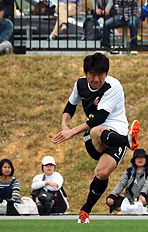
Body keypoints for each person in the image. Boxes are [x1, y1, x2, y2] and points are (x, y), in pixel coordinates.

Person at [52, 52, 140, 223]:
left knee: (102, 173)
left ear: (106, 74)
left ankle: (85, 211)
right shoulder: (80, 85)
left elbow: (99, 117)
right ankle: (128, 141)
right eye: (92, 74)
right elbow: (70, 106)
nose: (97, 79)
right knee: (97, 131)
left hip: (116, 133)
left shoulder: (113, 86)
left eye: (101, 74)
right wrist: (64, 126)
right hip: (95, 139)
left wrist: (72, 132)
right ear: (86, 73)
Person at [106, 148, 148, 214]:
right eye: (138, 158)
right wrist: (112, 195)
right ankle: (132, 209)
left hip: (144, 200)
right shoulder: (129, 172)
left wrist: (142, 195)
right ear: (134, 160)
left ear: (146, 159)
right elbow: (121, 184)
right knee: (111, 200)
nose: (140, 159)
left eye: (142, 157)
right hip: (130, 200)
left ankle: (125, 210)